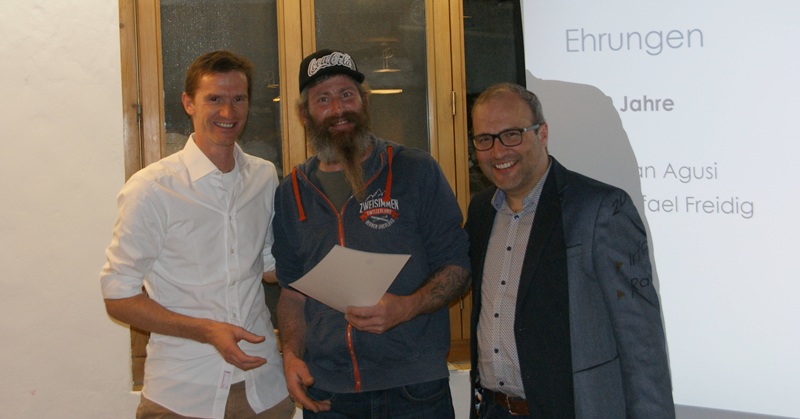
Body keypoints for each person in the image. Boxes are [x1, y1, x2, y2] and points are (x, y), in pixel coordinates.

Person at [272, 49, 471, 418]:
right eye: (323, 99)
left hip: (415, 390)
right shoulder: (291, 191)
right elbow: (292, 292)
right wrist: (291, 354)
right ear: (304, 114)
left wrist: (405, 307)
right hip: (330, 394)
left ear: (365, 101)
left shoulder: (415, 170)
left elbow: (458, 267)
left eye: (347, 95)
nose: (338, 109)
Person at [99, 50, 293, 419]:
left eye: (238, 99)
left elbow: (268, 264)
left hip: (264, 389)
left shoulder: (264, 176)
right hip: (183, 393)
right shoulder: (151, 188)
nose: (228, 112)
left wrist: (331, 275)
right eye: (214, 99)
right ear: (189, 103)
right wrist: (206, 330)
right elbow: (118, 297)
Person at [465, 83, 674, 418]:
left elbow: (641, 344)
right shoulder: (480, 212)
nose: (498, 151)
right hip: (494, 409)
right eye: (484, 139)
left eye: (512, 135)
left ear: (542, 134)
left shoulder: (601, 209)